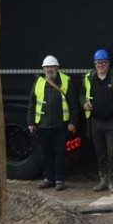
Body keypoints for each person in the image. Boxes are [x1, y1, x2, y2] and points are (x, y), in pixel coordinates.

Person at [81, 49, 113, 193]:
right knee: (100, 153)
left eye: (103, 62)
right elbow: (81, 94)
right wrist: (83, 103)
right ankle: (102, 180)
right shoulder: (89, 77)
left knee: (112, 152)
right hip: (95, 122)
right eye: (98, 63)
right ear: (94, 64)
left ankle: (112, 182)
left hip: (112, 121)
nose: (101, 65)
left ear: (108, 63)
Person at [27, 55, 79, 191]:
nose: (50, 69)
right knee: (45, 154)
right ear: (43, 69)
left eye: (52, 66)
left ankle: (59, 180)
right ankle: (48, 179)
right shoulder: (38, 82)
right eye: (47, 67)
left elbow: (73, 105)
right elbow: (32, 104)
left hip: (60, 126)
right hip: (42, 126)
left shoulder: (66, 81)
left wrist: (72, 122)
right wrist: (31, 123)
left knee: (60, 154)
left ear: (57, 68)